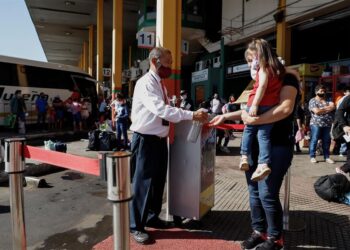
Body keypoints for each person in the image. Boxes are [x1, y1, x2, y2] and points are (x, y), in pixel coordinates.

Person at [209, 69, 300, 250]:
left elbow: (285, 109)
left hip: (277, 145)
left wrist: (251, 121)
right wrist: (225, 116)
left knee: (267, 193)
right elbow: (248, 111)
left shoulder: (287, 78)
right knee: (254, 192)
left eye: (254, 60)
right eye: (250, 62)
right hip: (254, 147)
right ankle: (259, 231)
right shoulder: (258, 82)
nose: (253, 65)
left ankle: (275, 238)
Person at [129, 47, 208, 244]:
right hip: (145, 139)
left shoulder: (160, 84)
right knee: (143, 183)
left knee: (157, 182)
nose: (170, 67)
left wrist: (178, 108)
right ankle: (136, 226)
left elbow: (166, 108)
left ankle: (151, 217)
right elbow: (161, 110)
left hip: (158, 140)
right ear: (155, 62)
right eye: (168, 63)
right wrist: (191, 115)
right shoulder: (146, 83)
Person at [240, 38, 285, 182]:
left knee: (248, 130)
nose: (253, 61)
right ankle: (263, 164)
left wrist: (254, 104)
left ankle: (244, 156)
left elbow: (262, 86)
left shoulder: (264, 68)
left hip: (257, 103)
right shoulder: (278, 69)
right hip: (271, 106)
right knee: (263, 135)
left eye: (254, 57)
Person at [308, 84, 335, 164]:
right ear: (316, 92)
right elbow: (316, 111)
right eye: (321, 91)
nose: (323, 92)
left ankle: (327, 157)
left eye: (324, 91)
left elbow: (333, 106)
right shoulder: (312, 100)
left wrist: (321, 109)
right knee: (314, 139)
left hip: (327, 124)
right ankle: (312, 156)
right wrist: (327, 109)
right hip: (316, 123)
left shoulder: (328, 100)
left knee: (327, 140)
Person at [333, 91, 350, 176]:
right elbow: (339, 112)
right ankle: (344, 168)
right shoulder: (348, 98)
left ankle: (345, 168)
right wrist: (344, 126)